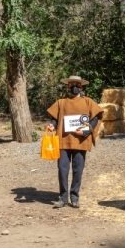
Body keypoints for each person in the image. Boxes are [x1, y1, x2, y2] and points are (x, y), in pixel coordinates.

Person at [46, 75, 103, 208]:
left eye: (77, 84)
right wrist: (52, 125)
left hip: (80, 141)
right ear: (68, 86)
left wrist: (86, 131)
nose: (74, 87)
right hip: (63, 141)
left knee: (78, 170)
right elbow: (55, 117)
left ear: (81, 86)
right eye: (71, 84)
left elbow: (95, 118)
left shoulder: (88, 102)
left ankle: (74, 197)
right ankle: (63, 197)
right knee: (62, 169)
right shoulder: (61, 102)